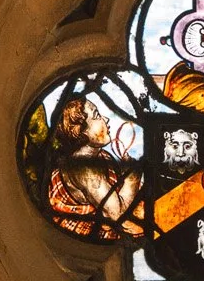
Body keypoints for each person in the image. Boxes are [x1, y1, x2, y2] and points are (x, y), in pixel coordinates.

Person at [43, 93, 141, 237]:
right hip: (88, 231)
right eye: (97, 116)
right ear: (80, 131)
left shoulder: (99, 156)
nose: (106, 119)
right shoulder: (84, 168)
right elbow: (118, 216)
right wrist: (132, 177)